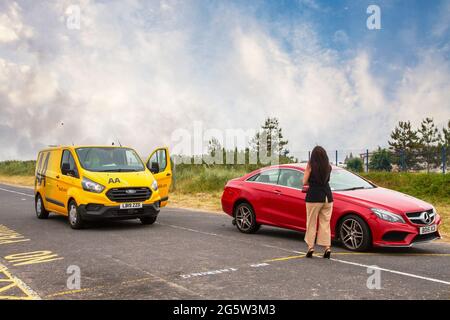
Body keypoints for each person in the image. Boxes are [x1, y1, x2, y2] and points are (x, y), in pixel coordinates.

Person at [302, 146, 333, 259]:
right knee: (325, 223)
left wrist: (308, 170)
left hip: (314, 196)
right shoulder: (328, 167)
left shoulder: (310, 166)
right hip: (327, 197)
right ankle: (327, 248)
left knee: (311, 222)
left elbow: (304, 181)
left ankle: (311, 247)